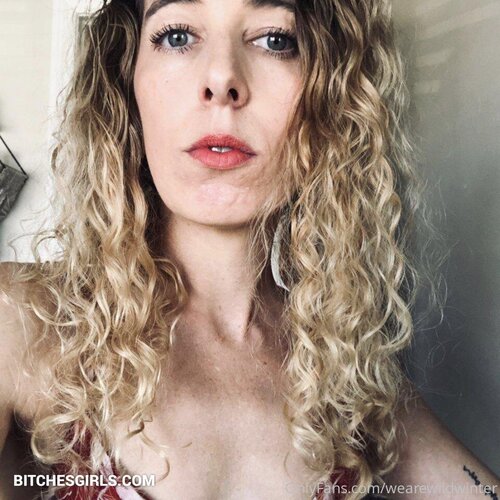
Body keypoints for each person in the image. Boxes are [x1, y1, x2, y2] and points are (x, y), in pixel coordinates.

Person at [0, 0, 498, 499]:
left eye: (276, 40)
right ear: (126, 83)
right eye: (177, 35)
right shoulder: (24, 323)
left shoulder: (345, 369)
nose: (222, 79)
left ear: (330, 99)